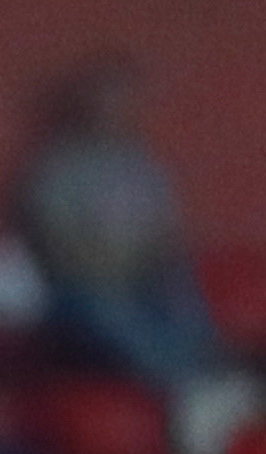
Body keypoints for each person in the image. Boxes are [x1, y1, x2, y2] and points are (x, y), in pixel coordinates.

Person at [15, 57, 214, 388]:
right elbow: (58, 247)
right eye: (107, 100)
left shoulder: (144, 168)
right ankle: (184, 383)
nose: (114, 110)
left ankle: (211, 373)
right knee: (114, 313)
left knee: (181, 291)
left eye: (123, 101)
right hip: (80, 292)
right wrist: (115, 271)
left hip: (141, 285)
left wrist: (150, 268)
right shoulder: (58, 169)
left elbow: (167, 236)